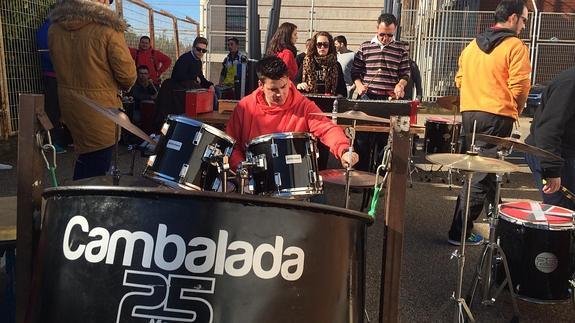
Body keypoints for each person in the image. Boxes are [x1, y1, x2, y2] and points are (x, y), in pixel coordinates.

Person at [448, 0, 531, 246]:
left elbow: (460, 79)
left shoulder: (472, 45)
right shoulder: (515, 46)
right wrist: (516, 107)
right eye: (524, 20)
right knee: (481, 177)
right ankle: (459, 233)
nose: (525, 25)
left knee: (483, 170)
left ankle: (501, 225)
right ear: (513, 18)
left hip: (470, 113)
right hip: (497, 115)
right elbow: (520, 86)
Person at [48, 0, 136, 180]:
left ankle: (79, 198)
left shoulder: (55, 28)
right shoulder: (108, 28)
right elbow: (127, 75)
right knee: (96, 166)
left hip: (69, 105)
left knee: (84, 157)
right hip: (100, 108)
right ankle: (83, 205)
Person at [225, 55, 358, 173]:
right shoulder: (245, 106)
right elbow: (231, 144)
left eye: (283, 86)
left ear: (289, 80)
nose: (280, 94)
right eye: (273, 89)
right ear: (261, 84)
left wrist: (344, 150)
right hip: (253, 180)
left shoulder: (304, 105)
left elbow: (326, 128)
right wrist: (241, 169)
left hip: (295, 177)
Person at [350, 13, 410, 172]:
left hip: (387, 99)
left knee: (382, 140)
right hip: (368, 96)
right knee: (362, 139)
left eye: (389, 35)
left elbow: (405, 73)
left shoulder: (400, 49)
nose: (385, 38)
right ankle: (361, 175)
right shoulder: (365, 47)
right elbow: (355, 72)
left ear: (395, 31)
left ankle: (378, 177)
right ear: (377, 29)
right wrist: (358, 85)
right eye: (382, 34)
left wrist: (400, 85)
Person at [294, 31, 347, 171]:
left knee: (323, 146)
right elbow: (294, 83)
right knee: (306, 144)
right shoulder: (306, 62)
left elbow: (342, 91)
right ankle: (306, 174)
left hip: (327, 111)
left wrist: (338, 96)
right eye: (319, 45)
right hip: (308, 110)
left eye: (325, 45)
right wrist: (299, 85)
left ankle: (321, 174)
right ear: (314, 46)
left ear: (330, 46)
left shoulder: (335, 65)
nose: (322, 48)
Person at [525, 67, 575, 211]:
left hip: (567, 152)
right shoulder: (570, 83)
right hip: (553, 154)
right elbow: (548, 129)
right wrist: (552, 170)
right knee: (561, 213)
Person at [37, 16, 67, 153]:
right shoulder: (48, 29)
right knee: (53, 110)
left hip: (61, 75)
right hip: (52, 75)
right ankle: (52, 142)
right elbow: (45, 53)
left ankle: (64, 139)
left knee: (61, 110)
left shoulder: (56, 28)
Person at [170, 36, 218, 110]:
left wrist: (210, 85)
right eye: (199, 49)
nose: (201, 52)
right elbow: (178, 76)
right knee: (207, 95)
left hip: (191, 88)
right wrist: (194, 78)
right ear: (193, 48)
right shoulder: (184, 59)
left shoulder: (198, 61)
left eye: (204, 51)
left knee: (216, 90)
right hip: (180, 91)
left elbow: (201, 78)